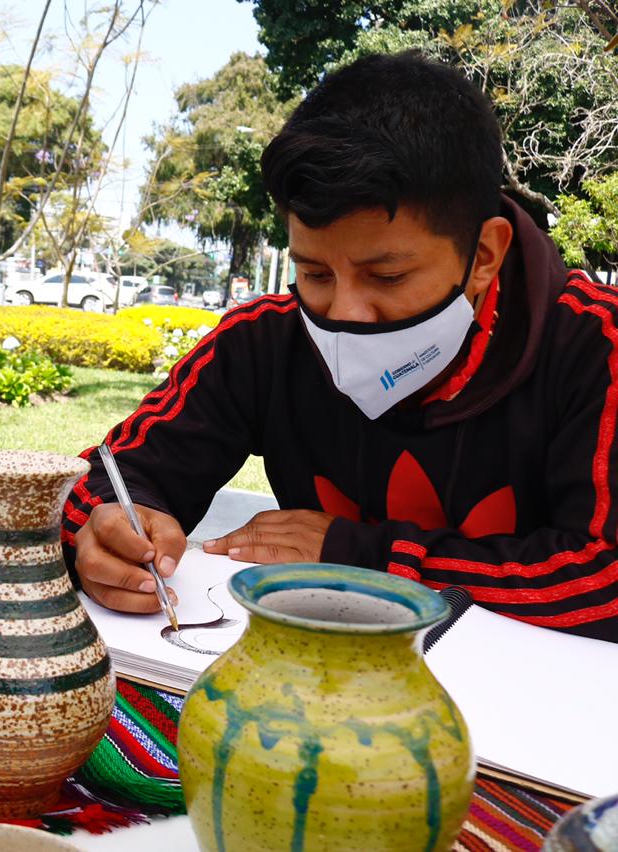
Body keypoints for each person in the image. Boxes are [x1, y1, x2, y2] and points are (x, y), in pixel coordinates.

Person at [64, 51, 618, 642]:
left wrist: (360, 555)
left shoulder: (595, 347)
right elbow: (103, 480)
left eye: (387, 277)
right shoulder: (263, 343)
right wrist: (104, 531)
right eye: (315, 273)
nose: (344, 316)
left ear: (484, 256)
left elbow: (605, 580)